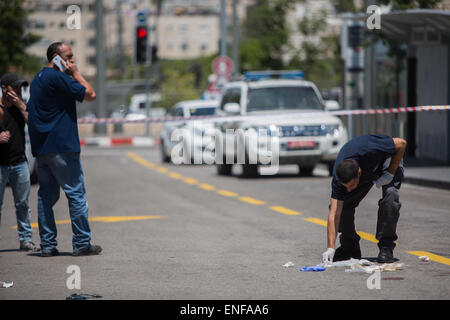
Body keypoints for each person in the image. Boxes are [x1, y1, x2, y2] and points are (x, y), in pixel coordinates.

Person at [26, 42, 101, 257]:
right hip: (63, 146)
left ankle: (48, 245)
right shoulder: (59, 77)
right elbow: (90, 94)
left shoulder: (38, 80)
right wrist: (75, 73)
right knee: (76, 194)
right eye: (69, 57)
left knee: (46, 196)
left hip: (43, 148)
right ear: (57, 57)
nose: (72, 61)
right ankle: (82, 243)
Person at [322, 134, 407, 264]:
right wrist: (330, 247)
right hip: (368, 170)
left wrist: (390, 173)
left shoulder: (369, 148)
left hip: (388, 162)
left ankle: (386, 247)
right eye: (346, 186)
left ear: (359, 174)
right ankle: (349, 246)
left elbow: (401, 143)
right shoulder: (339, 177)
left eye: (351, 185)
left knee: (391, 196)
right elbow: (334, 213)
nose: (349, 190)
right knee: (344, 205)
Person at [0, 73, 39, 251]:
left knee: (22, 203)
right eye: (14, 87)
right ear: (4, 88)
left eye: (20, 88)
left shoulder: (21, 107)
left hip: (20, 162)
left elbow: (33, 123)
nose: (18, 91)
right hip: (1, 164)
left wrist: (21, 105)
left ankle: (25, 239)